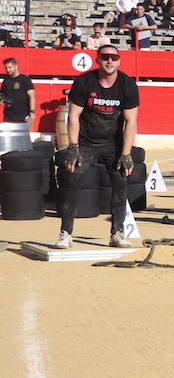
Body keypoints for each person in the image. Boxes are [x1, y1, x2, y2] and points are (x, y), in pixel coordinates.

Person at [54, 46, 139, 249]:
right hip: (86, 142)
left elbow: (131, 122)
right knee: (72, 182)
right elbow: (73, 116)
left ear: (119, 61)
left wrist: (126, 153)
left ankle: (117, 233)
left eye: (114, 57)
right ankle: (65, 233)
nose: (110, 61)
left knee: (120, 185)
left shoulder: (127, 84)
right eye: (105, 57)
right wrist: (73, 147)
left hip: (114, 144)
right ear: (98, 60)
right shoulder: (84, 81)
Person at [2, 57, 35, 132]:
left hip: (23, 113)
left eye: (10, 67)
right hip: (8, 114)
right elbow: (2, 96)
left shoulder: (25, 79)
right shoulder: (6, 80)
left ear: (16, 66)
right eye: (6, 68)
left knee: (25, 138)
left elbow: (31, 95)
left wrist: (32, 111)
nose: (8, 70)